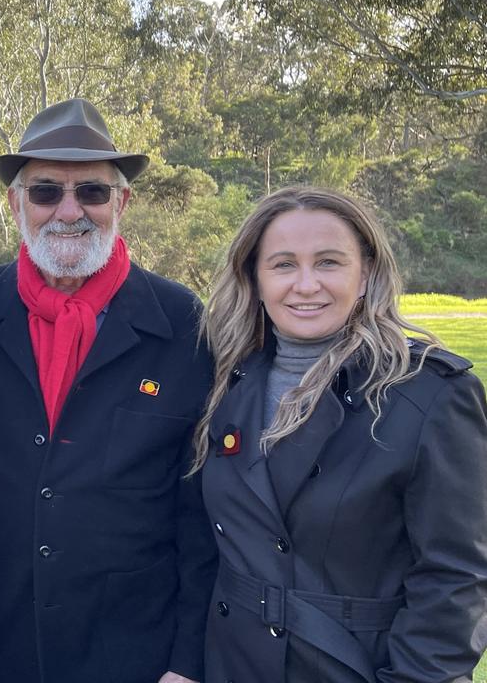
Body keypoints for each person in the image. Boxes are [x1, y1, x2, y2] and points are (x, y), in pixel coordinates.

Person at [0, 98, 216, 682]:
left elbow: (203, 510)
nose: (68, 211)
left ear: (122, 202)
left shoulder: (184, 323)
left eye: (91, 191)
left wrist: (187, 664)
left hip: (135, 651)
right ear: (16, 204)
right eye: (44, 193)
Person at [194, 186, 487, 683]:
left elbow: (457, 579)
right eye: (283, 264)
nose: (306, 285)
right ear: (255, 278)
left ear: (366, 273)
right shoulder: (225, 382)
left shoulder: (428, 395)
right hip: (232, 665)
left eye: (328, 262)